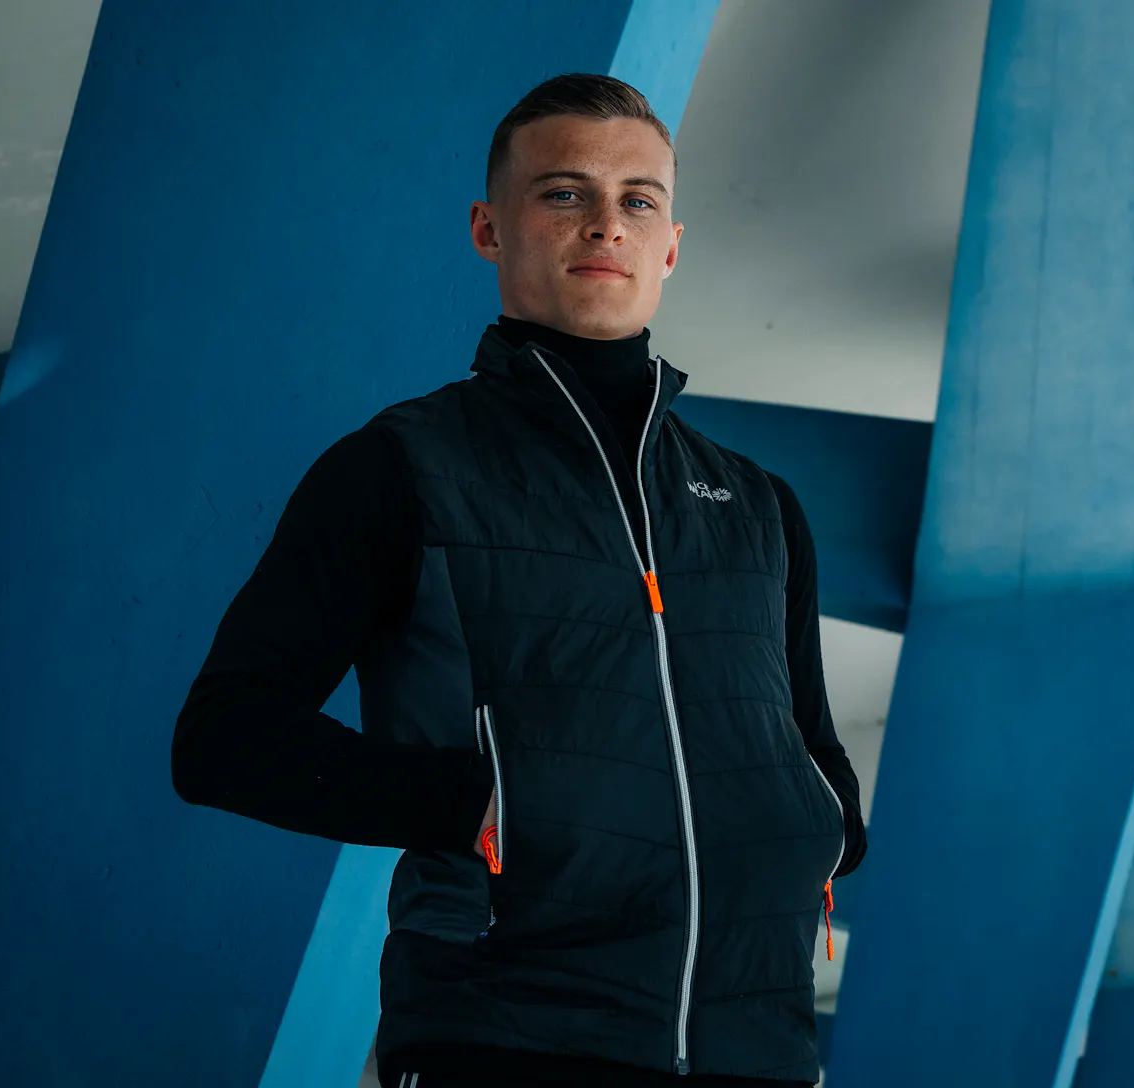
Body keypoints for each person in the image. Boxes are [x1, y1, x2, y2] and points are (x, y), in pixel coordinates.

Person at [171, 73, 866, 1088]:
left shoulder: (757, 506)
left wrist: (824, 825)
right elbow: (223, 736)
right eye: (563, 192)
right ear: (488, 228)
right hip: (504, 1031)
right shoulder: (400, 469)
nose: (606, 223)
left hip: (755, 1049)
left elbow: (813, 751)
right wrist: (472, 801)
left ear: (672, 244)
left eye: (638, 200)